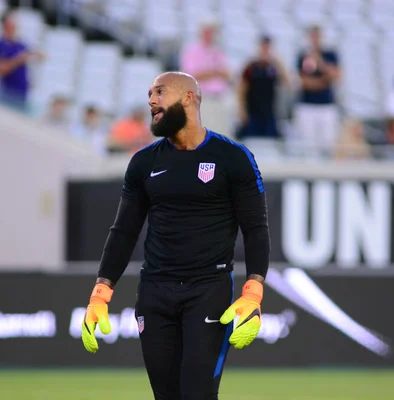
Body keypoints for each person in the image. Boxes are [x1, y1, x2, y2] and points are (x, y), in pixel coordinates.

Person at [80, 72, 270, 400]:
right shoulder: (142, 162)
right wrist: (100, 293)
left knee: (197, 395)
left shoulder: (234, 158)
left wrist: (253, 293)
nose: (151, 100)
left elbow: (256, 229)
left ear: (188, 98)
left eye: (160, 92)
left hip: (209, 291)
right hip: (155, 292)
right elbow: (124, 232)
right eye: (149, 93)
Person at [292, 25, 341, 154]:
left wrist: (320, 62)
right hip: (307, 104)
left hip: (326, 105)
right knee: (308, 146)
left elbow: (336, 76)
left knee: (328, 144)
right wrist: (323, 82)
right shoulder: (302, 55)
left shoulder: (330, 55)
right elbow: (303, 81)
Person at [180, 17, 232, 137]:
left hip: (218, 98)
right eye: (207, 31)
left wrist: (212, 73)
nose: (210, 34)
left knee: (219, 135)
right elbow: (191, 76)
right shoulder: (192, 51)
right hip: (201, 100)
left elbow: (226, 74)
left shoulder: (218, 51)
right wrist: (214, 72)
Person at [237, 35, 289, 140]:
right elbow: (242, 89)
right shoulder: (251, 67)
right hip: (253, 111)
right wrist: (242, 110)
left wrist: (277, 63)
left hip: (270, 112)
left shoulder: (274, 67)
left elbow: (287, 83)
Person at [0, 10, 43, 113]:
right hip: (6, 94)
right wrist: (19, 59)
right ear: (5, 25)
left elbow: (37, 57)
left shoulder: (21, 44)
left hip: (22, 95)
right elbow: (1, 69)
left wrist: (36, 55)